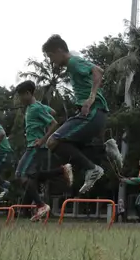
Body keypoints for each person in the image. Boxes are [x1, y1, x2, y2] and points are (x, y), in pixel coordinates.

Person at [42, 34, 110, 194]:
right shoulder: (72, 65)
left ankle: (92, 169)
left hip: (93, 112)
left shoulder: (73, 62)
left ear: (59, 51)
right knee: (67, 145)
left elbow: (98, 71)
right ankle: (104, 150)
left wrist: (90, 99)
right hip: (93, 114)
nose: (51, 61)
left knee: (53, 141)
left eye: (51, 56)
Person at [13, 80, 68, 221]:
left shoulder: (35, 108)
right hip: (34, 147)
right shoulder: (36, 107)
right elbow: (53, 112)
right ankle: (61, 171)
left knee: (21, 174)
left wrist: (42, 140)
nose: (20, 99)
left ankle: (40, 205)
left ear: (28, 93)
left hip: (35, 147)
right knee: (33, 176)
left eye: (21, 96)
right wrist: (45, 109)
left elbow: (54, 123)